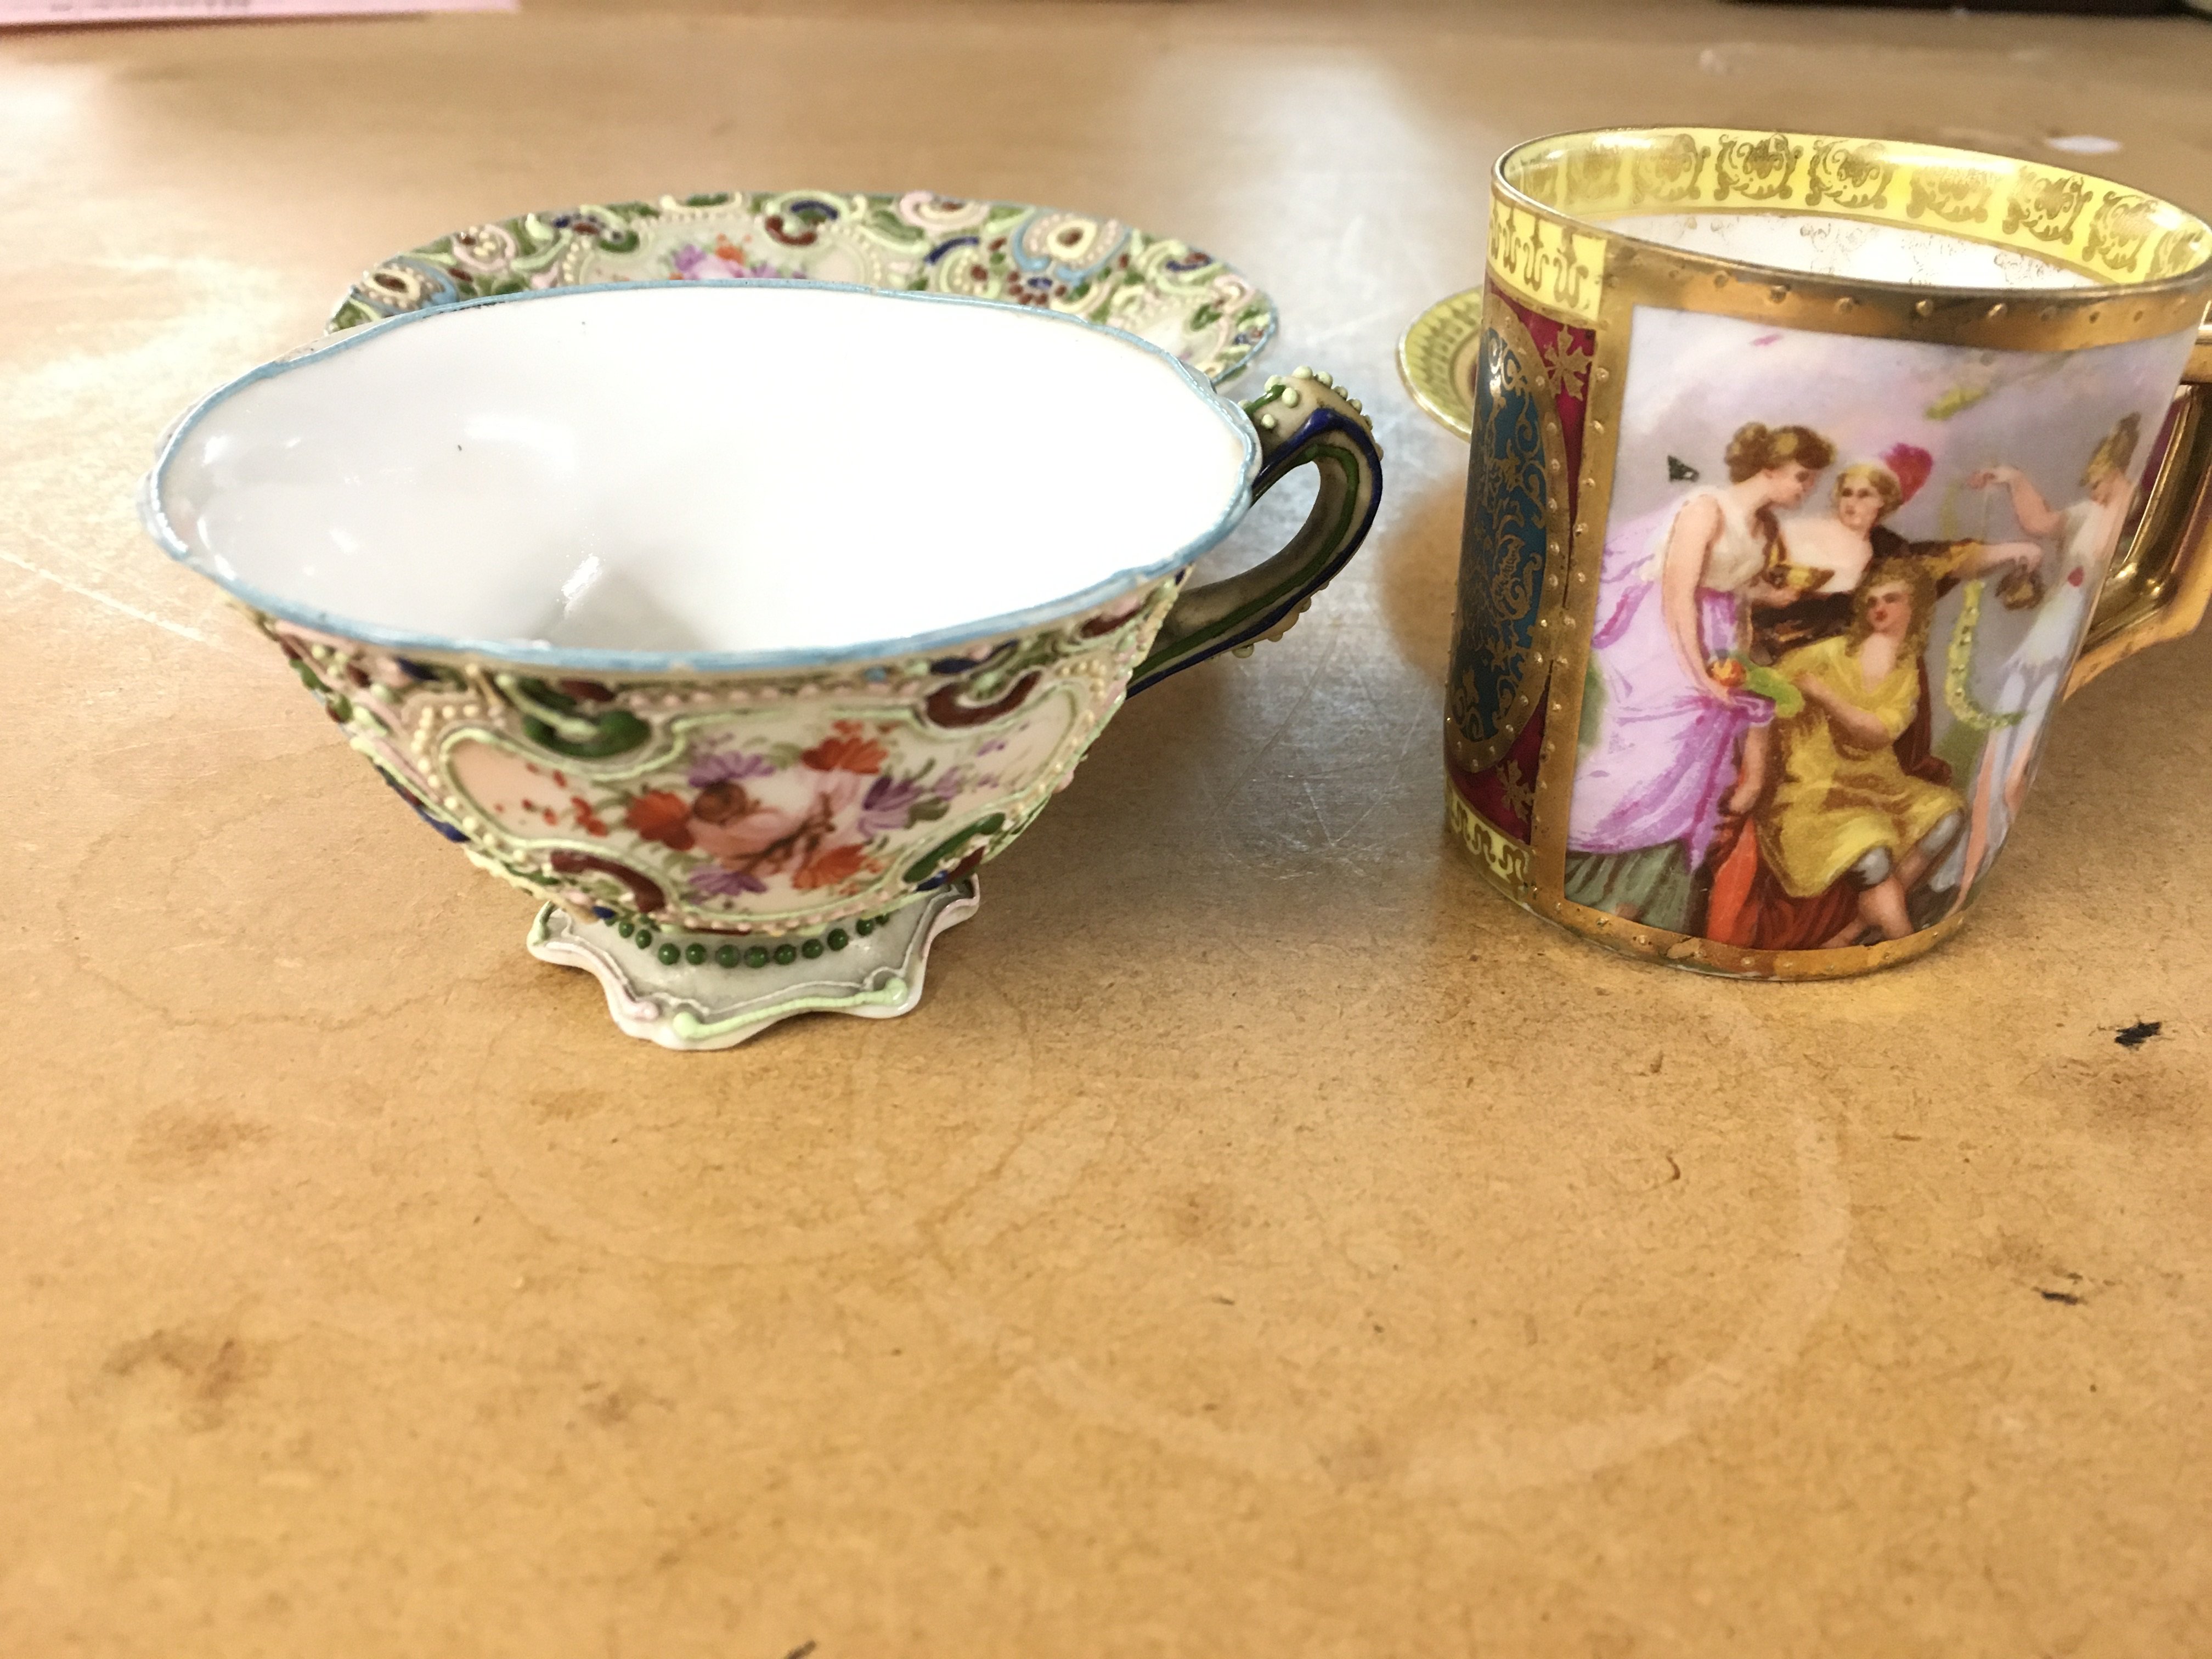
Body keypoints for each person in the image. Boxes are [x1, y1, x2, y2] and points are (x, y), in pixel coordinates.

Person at [1566, 421, 1832, 932]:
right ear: (1769, 468)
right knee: (1656, 760)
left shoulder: (1764, 527)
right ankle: (1591, 879)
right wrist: (1697, 677)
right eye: (1801, 478)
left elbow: (1730, 592)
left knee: (1703, 769)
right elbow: (1677, 594)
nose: (1805, 490)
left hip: (1718, 636)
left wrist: (1759, 619)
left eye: (1811, 482)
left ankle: (1655, 906)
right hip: (1661, 638)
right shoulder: (1705, 510)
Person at [1949, 414, 2142, 903]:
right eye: (2093, 482)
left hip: (2063, 627)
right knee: (2000, 747)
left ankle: (1985, 844)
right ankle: (1967, 864)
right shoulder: (2082, 514)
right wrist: (2012, 476)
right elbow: (2037, 521)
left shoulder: (2117, 505)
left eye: (2099, 480)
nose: (2094, 488)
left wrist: (2123, 457)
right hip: (2046, 630)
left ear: (2114, 475)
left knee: (2019, 758)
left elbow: (2121, 496)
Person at [1731, 559, 1966, 947]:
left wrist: (1824, 695)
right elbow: (1765, 692)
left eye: (1892, 599)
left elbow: (1876, 732)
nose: (1879, 608)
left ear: (1916, 606)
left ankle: (1857, 927)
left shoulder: (1906, 669)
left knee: (1947, 818)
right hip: (1814, 789)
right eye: (1872, 600)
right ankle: (1899, 943)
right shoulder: (1829, 654)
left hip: (1879, 786)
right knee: (1870, 847)